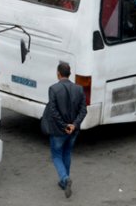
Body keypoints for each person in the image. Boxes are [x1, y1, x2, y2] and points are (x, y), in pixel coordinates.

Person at [45, 61, 87, 198]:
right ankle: (64, 181)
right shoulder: (79, 89)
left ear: (58, 74)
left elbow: (53, 111)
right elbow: (83, 110)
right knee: (67, 152)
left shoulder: (53, 89)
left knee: (56, 155)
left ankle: (65, 179)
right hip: (73, 130)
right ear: (69, 74)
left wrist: (64, 126)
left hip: (58, 131)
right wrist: (73, 125)